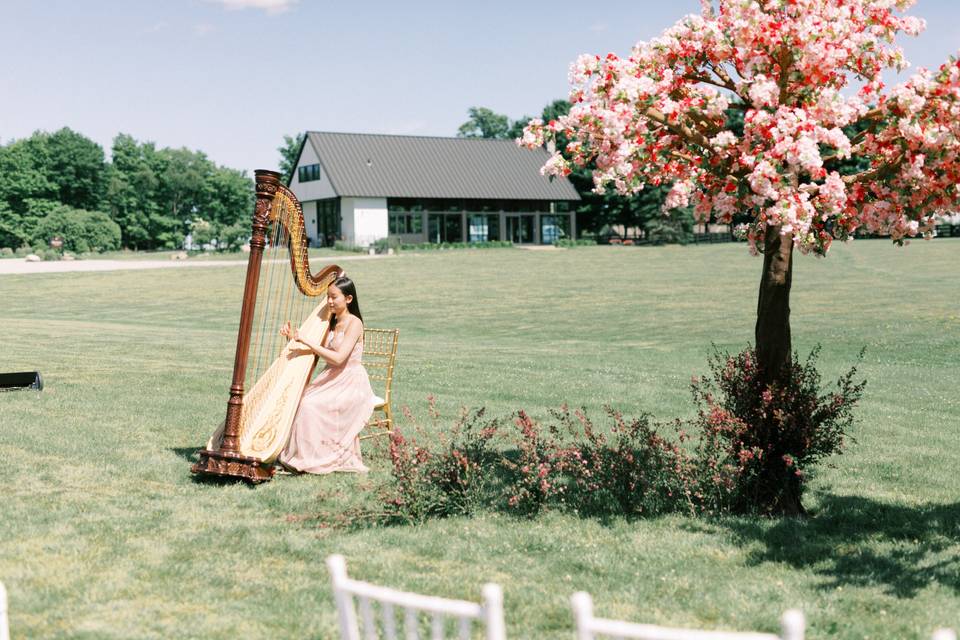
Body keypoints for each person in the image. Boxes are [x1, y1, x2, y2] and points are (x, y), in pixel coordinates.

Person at [277, 275, 378, 474]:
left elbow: (339, 358)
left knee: (310, 405)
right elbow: (322, 351)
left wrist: (306, 341)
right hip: (332, 377)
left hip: (350, 381)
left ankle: (315, 456)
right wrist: (294, 338)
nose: (329, 301)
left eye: (334, 297)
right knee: (300, 398)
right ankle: (304, 453)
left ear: (348, 299)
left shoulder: (354, 323)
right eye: (328, 297)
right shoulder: (331, 322)